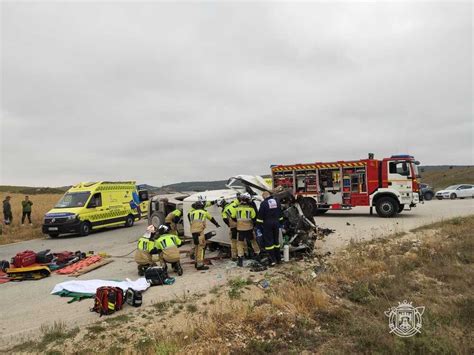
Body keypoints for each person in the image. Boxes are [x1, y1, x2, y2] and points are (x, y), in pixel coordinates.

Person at [187, 199, 220, 270]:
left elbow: (190, 220)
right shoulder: (204, 212)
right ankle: (200, 265)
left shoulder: (191, 213)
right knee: (201, 248)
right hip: (199, 231)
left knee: (196, 246)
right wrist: (217, 224)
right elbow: (211, 218)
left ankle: (196, 262)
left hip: (193, 231)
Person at [257, 191, 284, 266]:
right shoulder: (277, 202)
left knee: (269, 243)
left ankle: (272, 261)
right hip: (276, 224)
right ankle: (278, 259)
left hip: (267, 225)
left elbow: (260, 217)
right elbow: (280, 214)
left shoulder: (264, 203)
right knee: (276, 242)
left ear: (264, 197)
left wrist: (258, 227)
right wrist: (281, 223)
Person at [234, 193, 260, 267]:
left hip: (240, 229)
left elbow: (233, 217)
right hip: (249, 228)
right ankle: (257, 255)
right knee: (253, 241)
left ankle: (240, 259)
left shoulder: (236, 209)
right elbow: (254, 218)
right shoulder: (251, 209)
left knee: (240, 243)